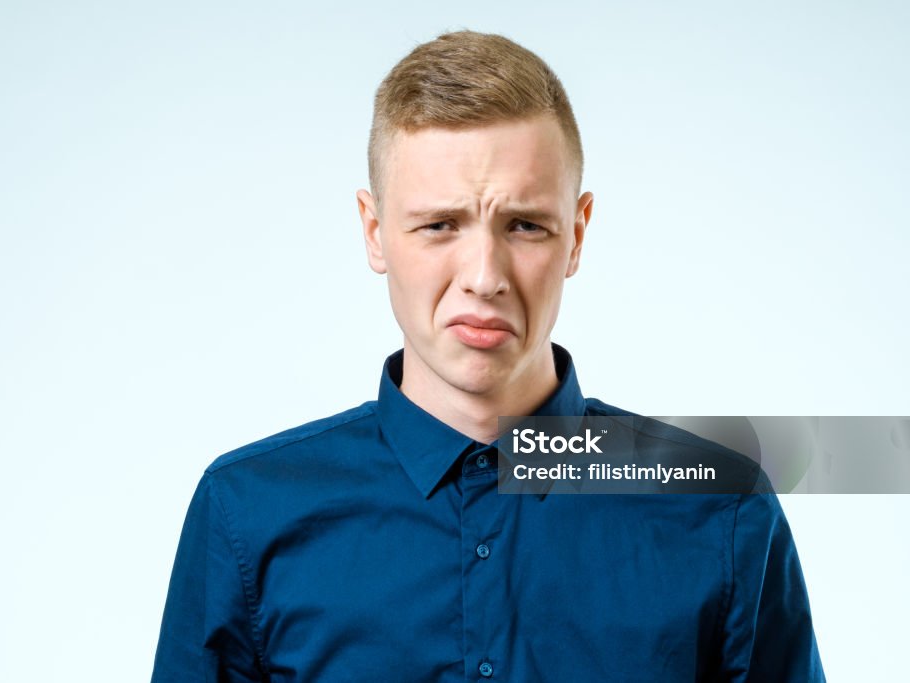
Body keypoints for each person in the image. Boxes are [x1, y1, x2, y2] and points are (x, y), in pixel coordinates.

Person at [151, 30, 825, 682]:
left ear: (577, 234)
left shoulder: (722, 508)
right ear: (375, 230)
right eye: (440, 224)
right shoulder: (246, 511)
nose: (484, 275)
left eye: (524, 225)